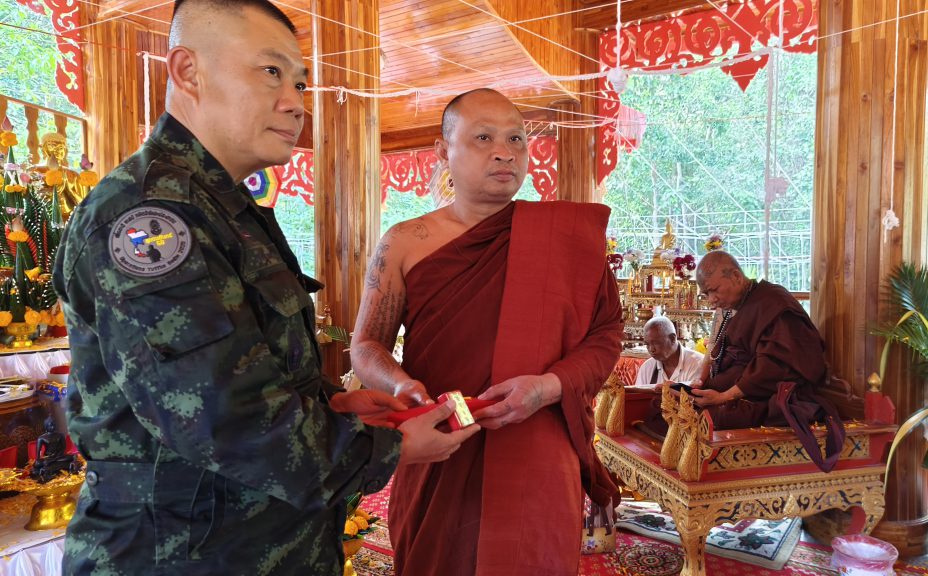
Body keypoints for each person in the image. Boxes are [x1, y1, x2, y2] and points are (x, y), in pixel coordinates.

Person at [53, 1, 477, 574]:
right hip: (180, 554)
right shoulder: (150, 216)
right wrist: (390, 449)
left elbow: (251, 365)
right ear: (187, 71)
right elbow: (219, 417)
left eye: (300, 82)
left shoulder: (225, 208)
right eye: (271, 72)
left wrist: (331, 403)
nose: (296, 102)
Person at [351, 88, 624, 576]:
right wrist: (401, 385)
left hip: (536, 442)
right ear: (443, 151)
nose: (505, 152)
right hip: (441, 439)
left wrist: (547, 388)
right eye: (483, 138)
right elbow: (367, 345)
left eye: (516, 139)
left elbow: (605, 335)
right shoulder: (405, 242)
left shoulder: (566, 238)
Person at [688, 251, 845, 471]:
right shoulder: (738, 306)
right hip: (733, 388)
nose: (711, 300)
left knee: (703, 418)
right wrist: (698, 386)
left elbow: (772, 367)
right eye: (706, 294)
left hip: (762, 395)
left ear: (736, 276)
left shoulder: (773, 302)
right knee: (671, 407)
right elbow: (719, 352)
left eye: (713, 290)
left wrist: (723, 397)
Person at [633, 316, 704, 391]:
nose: (651, 349)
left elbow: (694, 396)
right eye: (647, 344)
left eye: (656, 343)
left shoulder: (697, 363)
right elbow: (639, 395)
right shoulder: (647, 367)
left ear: (672, 338)